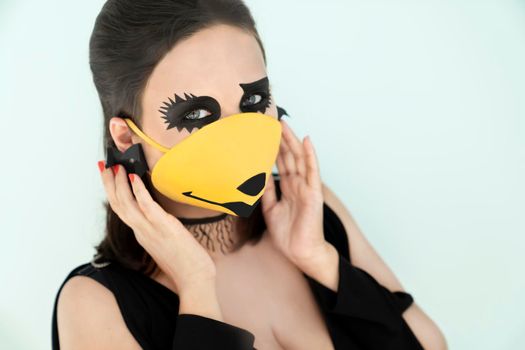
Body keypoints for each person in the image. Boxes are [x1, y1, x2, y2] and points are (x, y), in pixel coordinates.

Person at [51, 1, 447, 349]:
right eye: (197, 115)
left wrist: (321, 260)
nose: (238, 134)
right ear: (125, 136)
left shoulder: (306, 206)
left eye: (253, 100)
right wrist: (196, 285)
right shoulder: (92, 303)